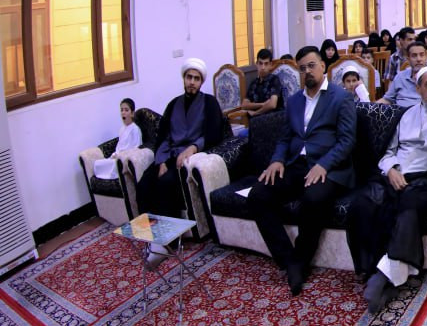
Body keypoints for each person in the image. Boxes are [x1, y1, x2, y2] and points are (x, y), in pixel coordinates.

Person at [347, 64, 427, 313]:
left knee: (408, 209)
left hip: (421, 179)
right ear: (418, 89)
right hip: (394, 175)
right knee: (362, 204)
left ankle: (386, 276)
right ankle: (371, 268)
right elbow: (389, 151)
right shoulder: (404, 115)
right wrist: (391, 170)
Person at [247, 45, 357, 295]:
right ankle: (290, 260)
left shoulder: (341, 97)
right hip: (297, 165)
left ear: (323, 66)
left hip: (330, 167)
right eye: (302, 68)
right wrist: (277, 160)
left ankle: (300, 261)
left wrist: (324, 164)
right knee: (258, 196)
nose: (307, 71)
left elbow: (347, 141)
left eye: (311, 65)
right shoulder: (295, 100)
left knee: (312, 199)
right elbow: (285, 138)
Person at [136, 58, 224, 224]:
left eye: (196, 79)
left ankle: (170, 234)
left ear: (201, 82)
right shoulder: (173, 104)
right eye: (189, 77)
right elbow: (163, 136)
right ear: (184, 78)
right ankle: (146, 233)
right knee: (143, 185)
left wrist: (192, 148)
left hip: (190, 159)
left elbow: (214, 134)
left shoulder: (209, 102)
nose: (192, 82)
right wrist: (161, 162)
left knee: (165, 184)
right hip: (168, 157)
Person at [93, 97, 143, 179]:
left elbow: (136, 148)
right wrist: (115, 154)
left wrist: (120, 156)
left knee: (111, 166)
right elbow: (119, 146)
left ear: (132, 113)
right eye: (122, 110)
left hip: (123, 160)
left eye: (126, 110)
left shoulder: (135, 129)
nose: (123, 113)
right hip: (116, 157)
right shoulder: (122, 129)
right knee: (97, 164)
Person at [379, 41, 427, 107]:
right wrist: (371, 107)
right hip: (400, 112)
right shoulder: (400, 77)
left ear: (426, 57)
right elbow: (387, 99)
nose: (418, 59)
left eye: (422, 55)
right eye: (414, 56)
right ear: (408, 59)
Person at [241, 48, 284, 117]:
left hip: (273, 117)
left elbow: (272, 104)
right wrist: (262, 104)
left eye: (266, 64)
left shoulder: (274, 80)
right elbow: (244, 105)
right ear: (256, 64)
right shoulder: (254, 83)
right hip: (256, 118)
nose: (263, 67)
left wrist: (256, 113)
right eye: (260, 63)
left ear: (270, 65)